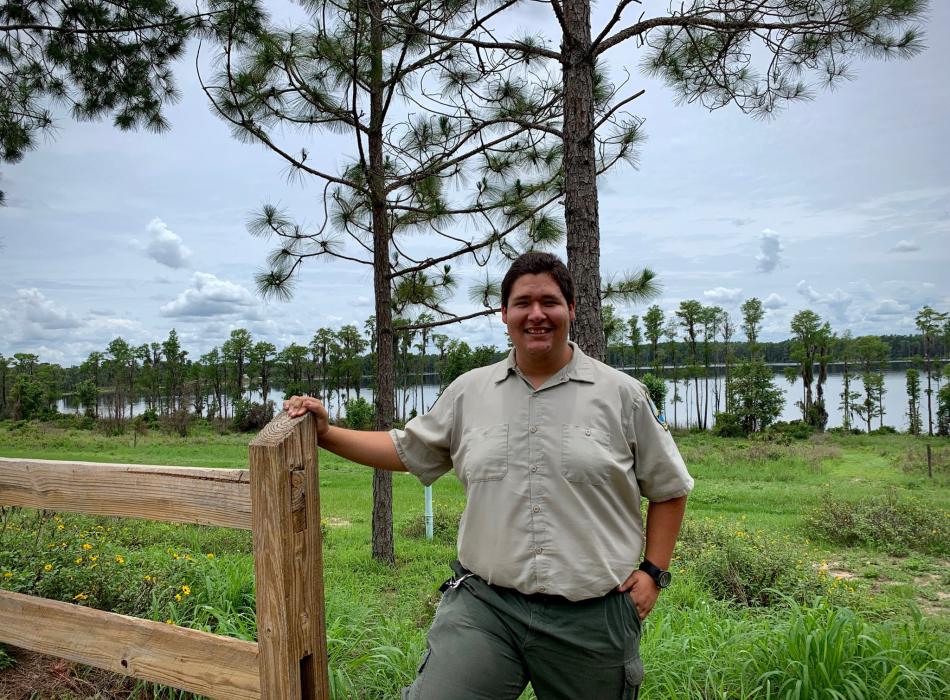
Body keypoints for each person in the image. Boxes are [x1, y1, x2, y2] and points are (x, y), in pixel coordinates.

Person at [285, 251, 693, 699]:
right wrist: (326, 433)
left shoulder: (622, 395)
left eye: (550, 302)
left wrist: (654, 573)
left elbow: (669, 488)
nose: (537, 314)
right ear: (504, 314)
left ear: (571, 310)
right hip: (487, 606)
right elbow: (407, 449)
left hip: (592, 619)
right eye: (522, 303)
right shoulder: (470, 391)